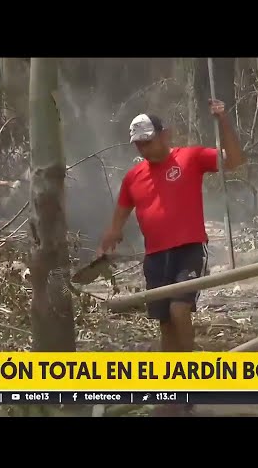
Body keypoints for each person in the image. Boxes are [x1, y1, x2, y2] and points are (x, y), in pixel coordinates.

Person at [97, 99, 245, 354]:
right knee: (165, 321)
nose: (143, 149)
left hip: (189, 250)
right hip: (155, 256)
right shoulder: (133, 176)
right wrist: (112, 234)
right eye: (138, 144)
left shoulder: (190, 157)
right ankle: (170, 380)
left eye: (148, 142)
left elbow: (234, 160)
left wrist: (223, 121)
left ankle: (188, 373)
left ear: (165, 135)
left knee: (179, 310)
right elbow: (122, 211)